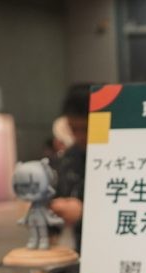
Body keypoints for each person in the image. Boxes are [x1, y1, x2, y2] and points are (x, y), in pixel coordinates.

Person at [48, 84, 91, 250]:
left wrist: (85, 213)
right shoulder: (70, 158)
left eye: (86, 129)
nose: (79, 137)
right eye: (73, 129)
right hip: (81, 251)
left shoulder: (126, 158)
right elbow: (57, 195)